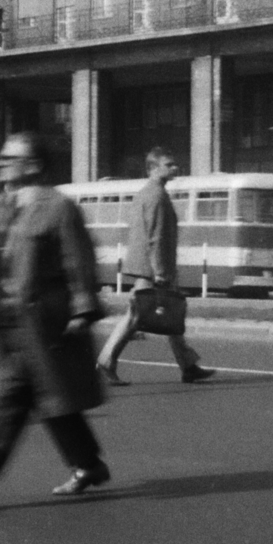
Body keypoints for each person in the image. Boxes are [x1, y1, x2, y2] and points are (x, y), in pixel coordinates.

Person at [0, 132, 111, 507]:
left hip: (45, 321)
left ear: (33, 166)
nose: (1, 164)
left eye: (10, 159)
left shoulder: (57, 207)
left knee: (14, 397)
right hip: (7, 321)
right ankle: (88, 463)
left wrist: (83, 309)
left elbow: (77, 262)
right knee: (48, 395)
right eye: (1, 158)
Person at [94, 146, 215, 386]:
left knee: (167, 313)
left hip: (147, 265)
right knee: (137, 315)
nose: (175, 168)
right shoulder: (156, 195)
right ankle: (106, 360)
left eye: (174, 164)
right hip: (153, 268)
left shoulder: (147, 193)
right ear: (152, 168)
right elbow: (156, 237)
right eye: (169, 164)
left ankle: (188, 366)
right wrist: (160, 271)